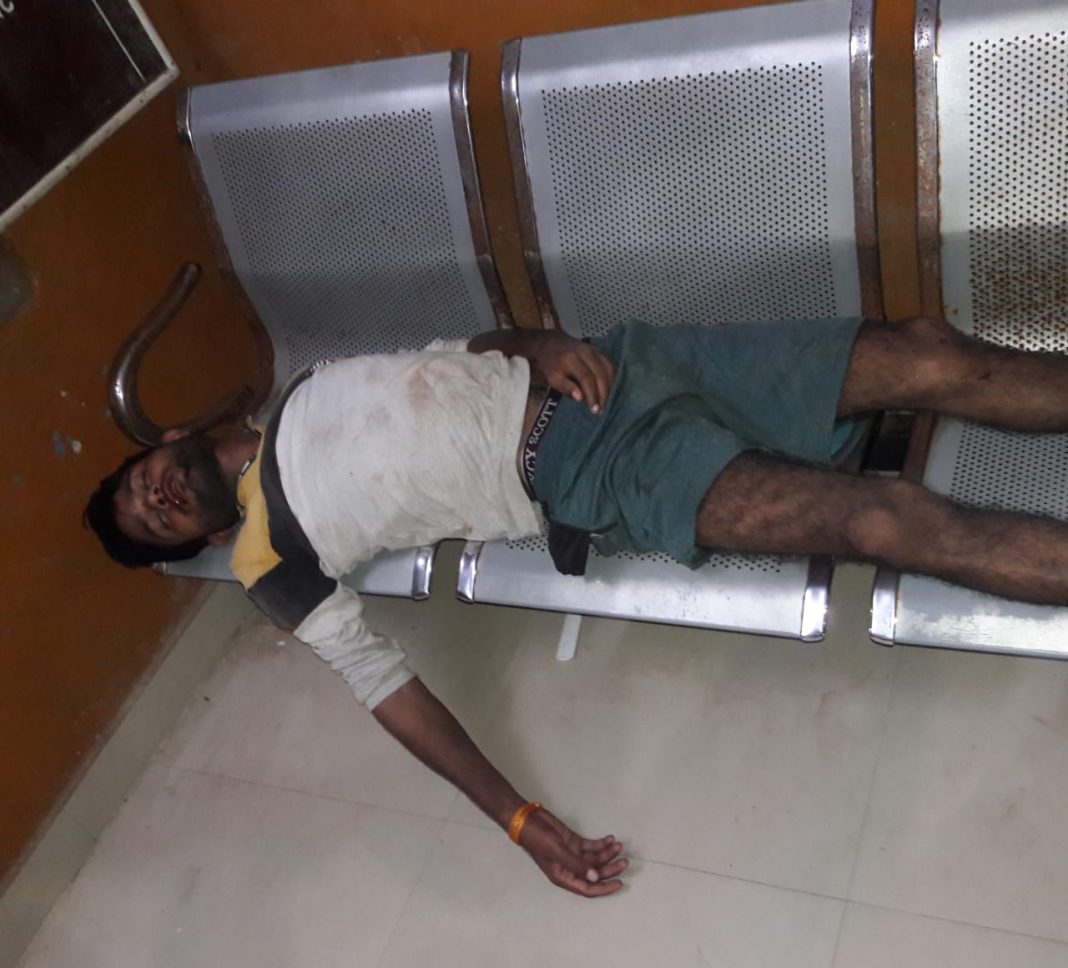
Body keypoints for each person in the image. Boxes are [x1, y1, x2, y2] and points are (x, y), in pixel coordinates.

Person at [85, 316, 1068, 897]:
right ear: (199, 543)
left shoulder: (303, 389)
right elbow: (385, 688)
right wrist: (515, 817)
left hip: (622, 366)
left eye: (139, 485)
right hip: (595, 469)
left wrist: (541, 342)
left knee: (928, 355)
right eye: (155, 524)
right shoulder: (269, 562)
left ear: (163, 443)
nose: (156, 499)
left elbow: (465, 349)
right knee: (885, 521)